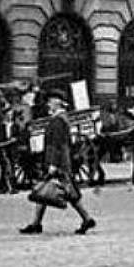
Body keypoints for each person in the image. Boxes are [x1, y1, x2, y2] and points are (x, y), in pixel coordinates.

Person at [20, 89, 96, 235]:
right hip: (61, 161)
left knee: (65, 192)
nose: (49, 104)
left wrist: (53, 165)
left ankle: (87, 218)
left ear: (58, 102)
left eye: (51, 101)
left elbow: (57, 144)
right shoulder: (60, 118)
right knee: (46, 190)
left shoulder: (58, 120)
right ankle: (36, 223)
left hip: (58, 162)